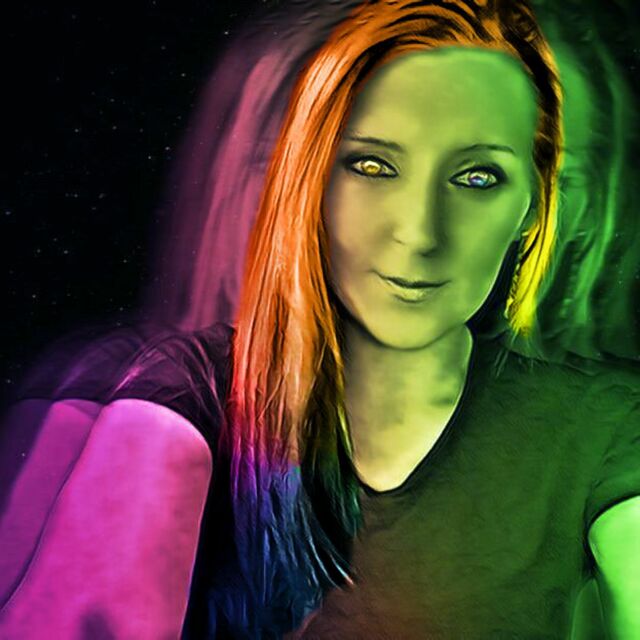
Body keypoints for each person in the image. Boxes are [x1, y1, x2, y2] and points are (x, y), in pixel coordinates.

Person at [1, 1, 638, 639]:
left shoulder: (603, 426)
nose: (419, 233)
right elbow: (89, 616)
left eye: (477, 177)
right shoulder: (188, 394)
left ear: (532, 204)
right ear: (310, 178)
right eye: (372, 166)